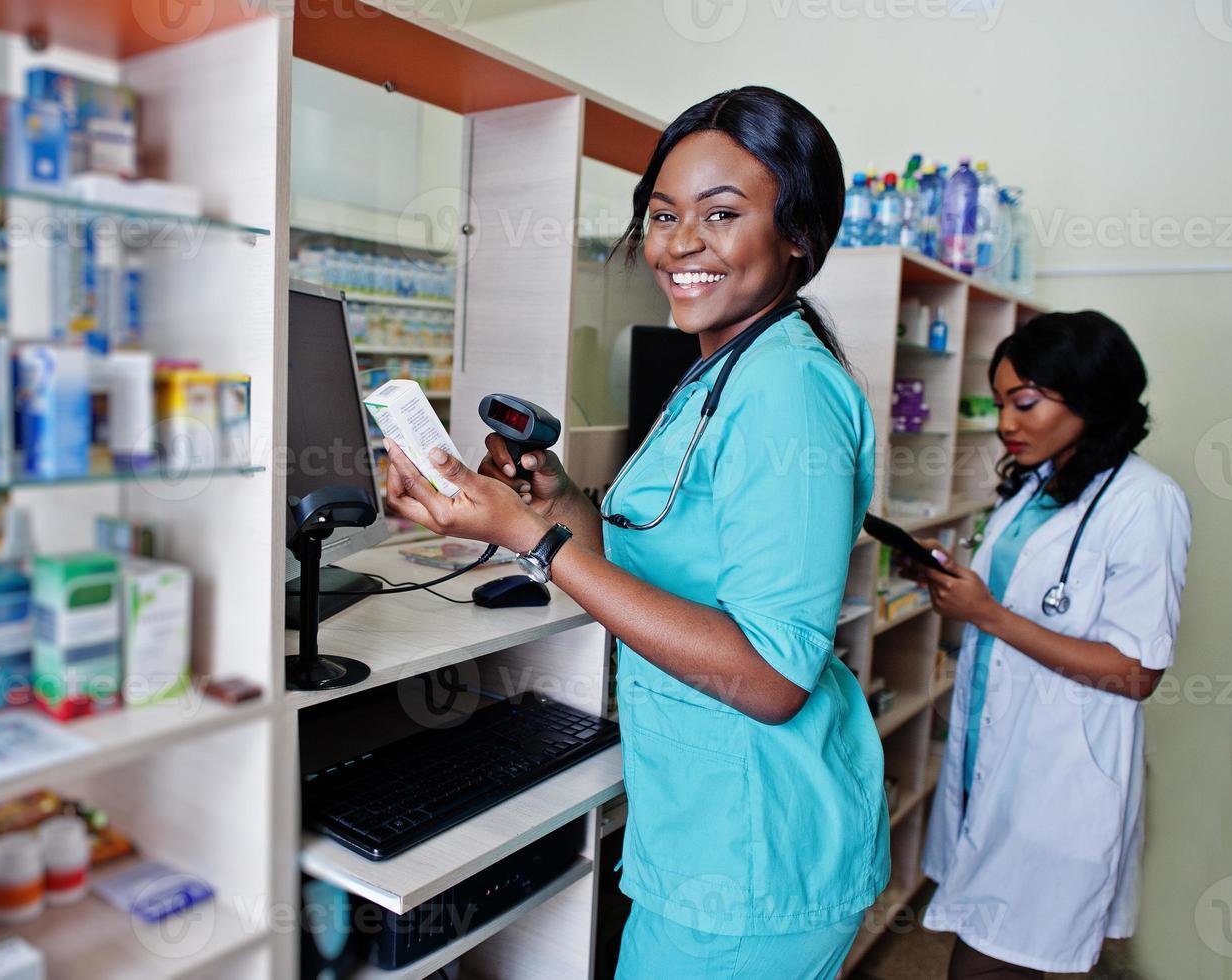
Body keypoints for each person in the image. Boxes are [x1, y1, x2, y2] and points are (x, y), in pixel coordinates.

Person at [380, 86, 888, 979]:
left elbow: (771, 678)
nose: (679, 243)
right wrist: (551, 501)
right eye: (661, 214)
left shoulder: (785, 391)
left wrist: (535, 544)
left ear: (798, 235)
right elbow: (654, 558)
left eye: (720, 215)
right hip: (706, 828)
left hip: (754, 851)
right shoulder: (721, 369)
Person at [911, 311, 1191, 978]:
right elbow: (1017, 597)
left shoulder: (1145, 502)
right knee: (980, 944)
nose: (1007, 421)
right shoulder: (1038, 487)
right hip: (994, 755)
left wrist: (988, 614)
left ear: (1089, 397)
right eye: (1003, 401)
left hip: (1060, 780)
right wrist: (951, 583)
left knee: (989, 961)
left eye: (1025, 401)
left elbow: (1134, 672)